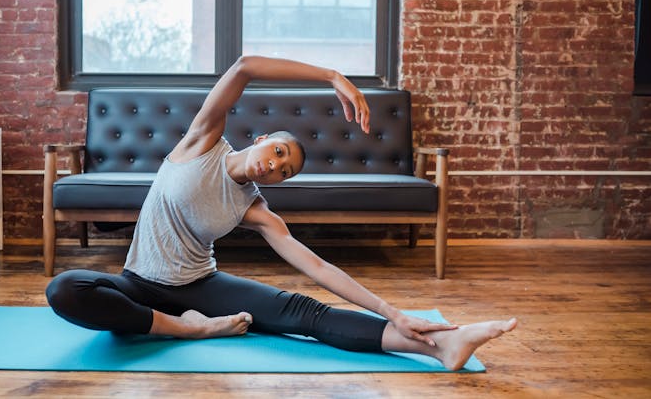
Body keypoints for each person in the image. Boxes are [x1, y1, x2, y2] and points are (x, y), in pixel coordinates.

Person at [46, 56, 516, 371]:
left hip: (201, 286)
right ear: (262, 138)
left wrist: (394, 311)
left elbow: (316, 265)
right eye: (276, 153)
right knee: (65, 289)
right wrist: (333, 76)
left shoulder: (254, 207)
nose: (272, 166)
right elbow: (246, 66)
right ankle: (187, 329)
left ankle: (441, 346)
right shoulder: (201, 142)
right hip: (138, 282)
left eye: (282, 171)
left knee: (304, 313)